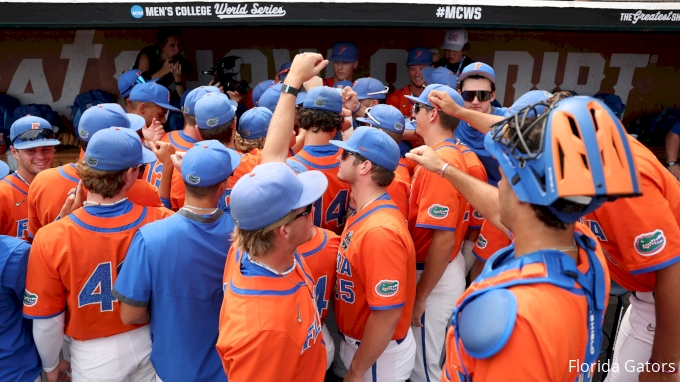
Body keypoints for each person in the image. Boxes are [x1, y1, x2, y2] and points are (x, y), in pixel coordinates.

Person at [406, 95, 642, 381]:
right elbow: (503, 207)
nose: (499, 184)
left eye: (504, 176)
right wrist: (445, 170)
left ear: (522, 192)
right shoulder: (583, 245)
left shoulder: (510, 313)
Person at [23, 127, 173, 381]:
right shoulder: (164, 221)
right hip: (153, 338)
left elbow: (48, 321)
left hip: (94, 354)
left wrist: (50, 366)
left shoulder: (51, 236)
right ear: (129, 174)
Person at [113, 140, 241, 382]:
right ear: (223, 185)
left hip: (173, 368)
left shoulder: (151, 236)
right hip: (230, 367)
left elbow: (129, 315)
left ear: (184, 179)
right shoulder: (244, 236)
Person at [329, 126, 417, 381]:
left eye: (345, 155)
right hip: (364, 347)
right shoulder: (367, 210)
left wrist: (357, 370)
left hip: (378, 357)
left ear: (364, 167)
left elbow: (387, 314)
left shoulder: (380, 232)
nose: (338, 157)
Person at [404, 84, 469, 382]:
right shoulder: (441, 154)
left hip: (434, 273)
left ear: (432, 114)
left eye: (417, 108)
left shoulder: (440, 162)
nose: (412, 113)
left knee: (424, 371)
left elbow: (443, 239)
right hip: (439, 268)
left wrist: (421, 297)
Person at [26, 104, 169, 239]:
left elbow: (35, 240)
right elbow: (168, 220)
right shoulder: (140, 189)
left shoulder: (42, 181)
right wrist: (167, 164)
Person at [289, 86, 350, 234]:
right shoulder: (351, 162)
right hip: (339, 248)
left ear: (303, 117)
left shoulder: (290, 166)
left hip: (302, 251)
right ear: (338, 120)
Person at [0, 116, 60, 239]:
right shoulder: (3, 194)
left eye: (46, 149)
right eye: (31, 150)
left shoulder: (66, 186)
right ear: (14, 152)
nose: (41, 156)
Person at [454, 62, 508, 185]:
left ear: (493, 95)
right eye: (469, 95)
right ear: (459, 94)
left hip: (501, 197)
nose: (475, 101)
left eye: (482, 95)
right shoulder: (452, 119)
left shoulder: (507, 116)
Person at [355, 104, 411, 219]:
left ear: (378, 133)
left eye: (365, 125)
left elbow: (391, 225)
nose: (359, 129)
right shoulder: (388, 164)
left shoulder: (393, 179)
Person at [132, 27, 189, 97]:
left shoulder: (180, 60)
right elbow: (140, 84)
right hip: (139, 95)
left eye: (179, 45)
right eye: (172, 45)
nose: (177, 49)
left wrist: (178, 79)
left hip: (159, 94)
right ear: (162, 46)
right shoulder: (148, 54)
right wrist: (162, 71)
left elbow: (183, 96)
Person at [387, 47, 433, 117]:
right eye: (412, 69)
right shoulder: (395, 98)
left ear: (432, 68)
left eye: (422, 69)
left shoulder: (439, 97)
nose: (417, 74)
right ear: (408, 70)